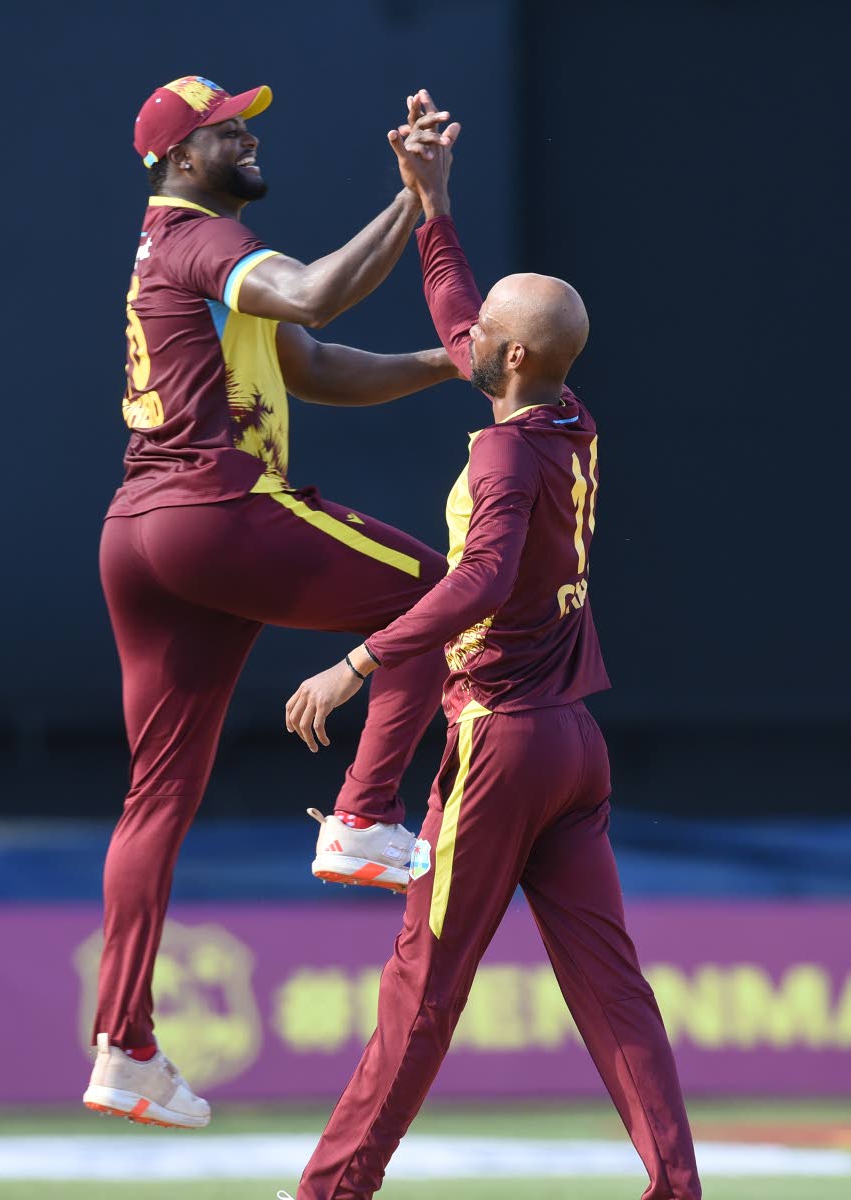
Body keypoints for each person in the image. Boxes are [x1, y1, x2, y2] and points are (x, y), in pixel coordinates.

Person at [283, 91, 702, 1200]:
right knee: (614, 994)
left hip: (502, 748)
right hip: (574, 747)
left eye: (479, 343)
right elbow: (464, 309)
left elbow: (476, 582)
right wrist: (434, 206)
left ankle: (329, 1190)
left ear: (506, 357)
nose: (457, 345)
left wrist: (358, 661)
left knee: (420, 992)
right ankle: (676, 1185)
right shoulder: (566, 415)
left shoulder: (510, 461)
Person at [82, 75, 465, 1129]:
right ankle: (363, 814)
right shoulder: (197, 237)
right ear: (176, 158)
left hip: (142, 534)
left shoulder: (191, 257)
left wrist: (445, 358)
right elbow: (311, 296)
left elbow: (318, 364)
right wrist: (414, 198)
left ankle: (124, 1046)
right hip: (215, 509)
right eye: (224, 131)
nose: (246, 139)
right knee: (434, 591)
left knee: (154, 797)